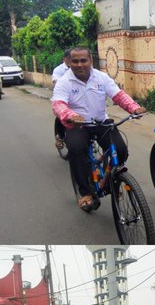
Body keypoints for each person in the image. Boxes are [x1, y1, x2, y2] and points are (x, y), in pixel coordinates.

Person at [51, 46, 144, 209]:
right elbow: (58, 104)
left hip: (101, 123)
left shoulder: (101, 78)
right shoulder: (64, 81)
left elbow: (118, 95)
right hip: (78, 126)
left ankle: (109, 180)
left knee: (121, 150)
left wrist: (133, 107)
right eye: (75, 61)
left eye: (83, 60)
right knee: (77, 150)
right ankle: (85, 192)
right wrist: (70, 115)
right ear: (69, 63)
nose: (80, 65)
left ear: (91, 61)